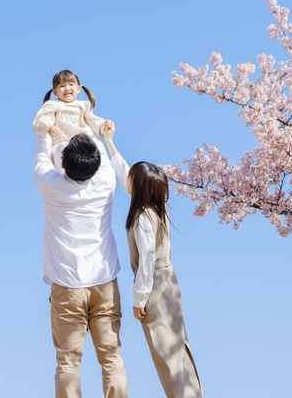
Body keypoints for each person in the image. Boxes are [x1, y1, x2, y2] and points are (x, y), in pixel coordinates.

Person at [104, 127, 203, 398]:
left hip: (155, 286)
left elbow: (146, 257)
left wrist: (139, 298)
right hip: (170, 282)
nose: (128, 181)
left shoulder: (141, 217)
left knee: (164, 352)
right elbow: (125, 174)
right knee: (178, 347)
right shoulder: (157, 210)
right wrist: (110, 143)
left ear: (139, 187)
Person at [34, 124, 129, 398]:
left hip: (67, 285)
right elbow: (97, 146)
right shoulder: (106, 182)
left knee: (68, 362)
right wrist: (86, 122)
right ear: (97, 166)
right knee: (112, 359)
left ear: (62, 163)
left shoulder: (50, 186)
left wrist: (45, 133)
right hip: (105, 283)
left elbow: (41, 156)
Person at [33, 70, 107, 169]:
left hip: (81, 142)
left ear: (78, 88)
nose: (67, 88)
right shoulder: (53, 105)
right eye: (62, 86)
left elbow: (92, 120)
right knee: (61, 152)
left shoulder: (84, 105)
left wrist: (102, 127)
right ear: (54, 91)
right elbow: (40, 119)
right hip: (62, 141)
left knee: (90, 157)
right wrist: (48, 126)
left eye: (71, 84)